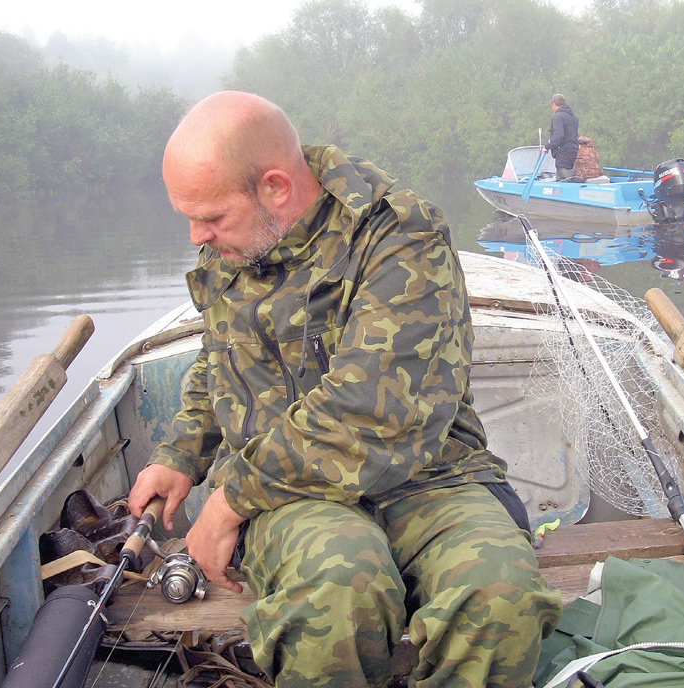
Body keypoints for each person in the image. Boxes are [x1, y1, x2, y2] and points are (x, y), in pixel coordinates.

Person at [128, 91, 561, 688]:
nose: (197, 236)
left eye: (210, 217)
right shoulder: (235, 244)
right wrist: (180, 452)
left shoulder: (400, 238)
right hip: (295, 499)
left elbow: (371, 416)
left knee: (500, 593)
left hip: (427, 475)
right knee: (338, 587)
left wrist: (226, 503)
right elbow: (219, 360)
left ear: (275, 187)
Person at [543, 94, 579, 181]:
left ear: (554, 104)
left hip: (563, 152)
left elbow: (558, 136)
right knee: (570, 176)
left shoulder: (558, 116)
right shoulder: (574, 117)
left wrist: (547, 146)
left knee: (563, 177)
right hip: (574, 151)